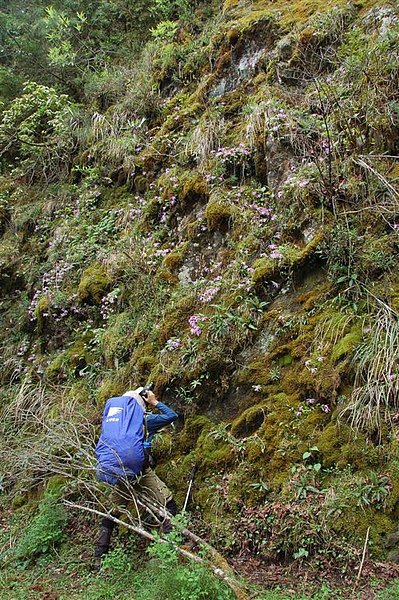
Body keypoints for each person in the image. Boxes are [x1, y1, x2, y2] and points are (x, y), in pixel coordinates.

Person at [94, 388, 178, 563]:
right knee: (167, 502)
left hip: (120, 473)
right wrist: (154, 402)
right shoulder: (145, 420)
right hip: (141, 470)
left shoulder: (113, 422)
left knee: (112, 512)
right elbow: (172, 416)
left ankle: (99, 556)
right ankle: (173, 548)